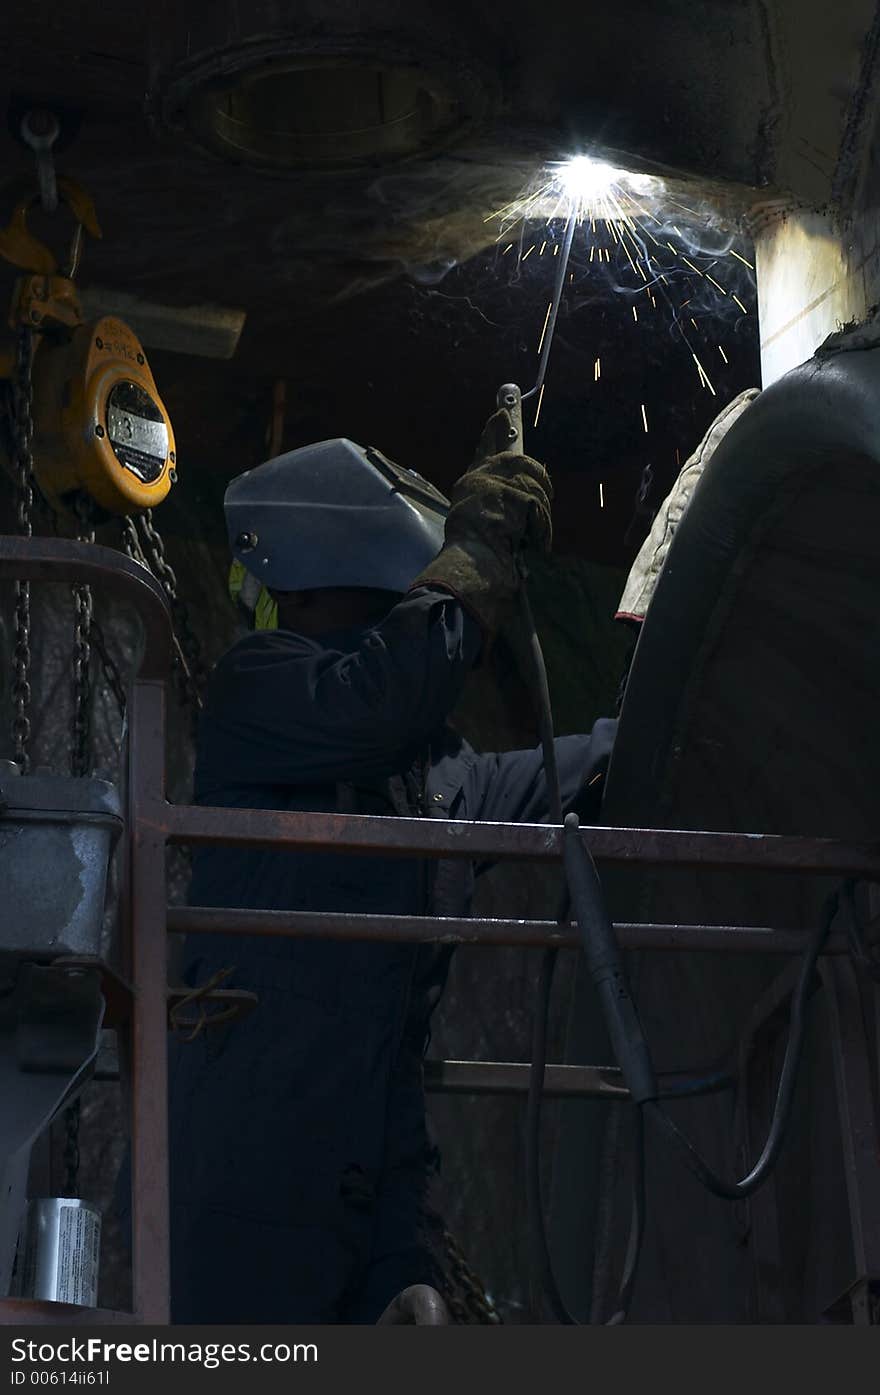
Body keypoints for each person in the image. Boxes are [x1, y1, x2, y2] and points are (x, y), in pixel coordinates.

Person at [167, 411, 616, 1323]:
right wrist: (479, 553)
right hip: (238, 1189)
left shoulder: (443, 776)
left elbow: (604, 766)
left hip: (368, 1193)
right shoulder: (257, 694)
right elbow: (376, 701)